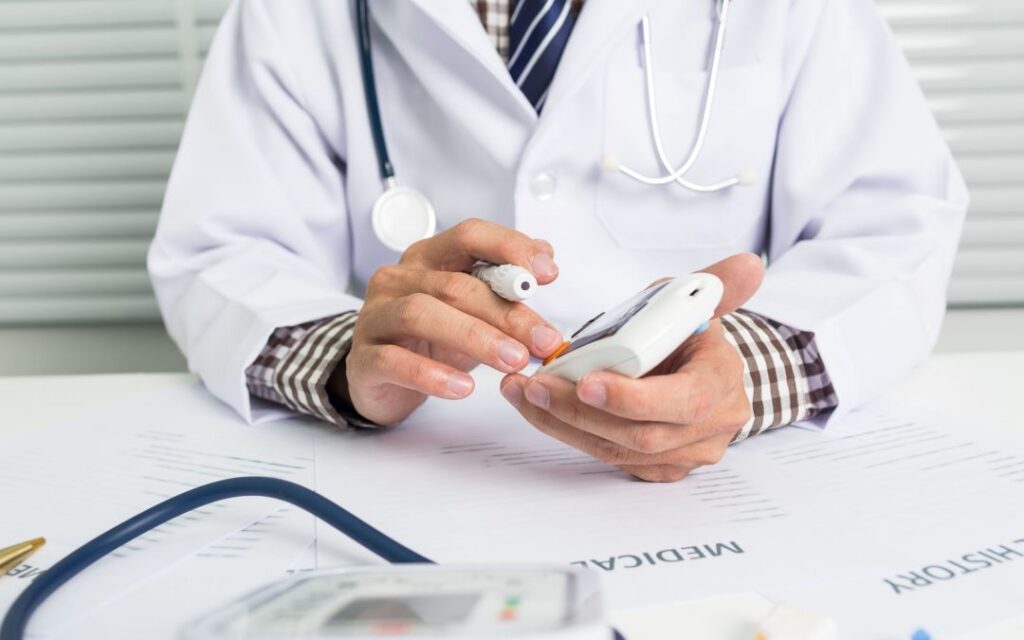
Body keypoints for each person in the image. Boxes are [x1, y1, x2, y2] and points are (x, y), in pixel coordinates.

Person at [149, 0, 967, 482]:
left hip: (734, 481)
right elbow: (219, 250)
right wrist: (347, 361)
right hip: (416, 469)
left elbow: (896, 223)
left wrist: (749, 371)